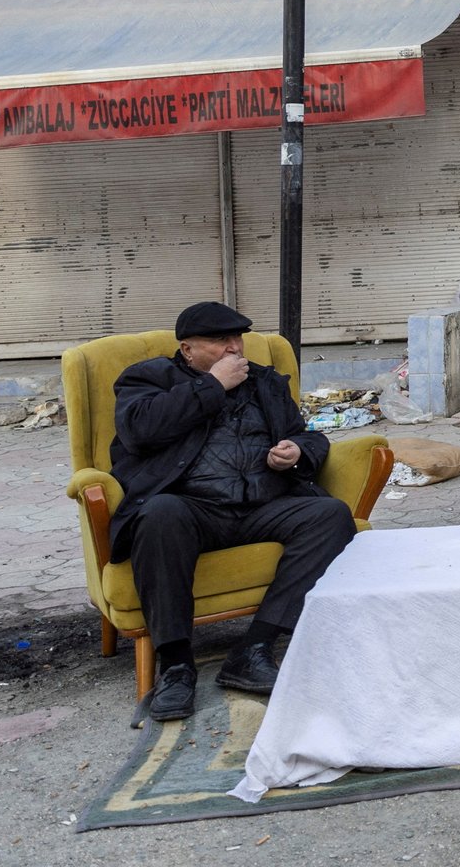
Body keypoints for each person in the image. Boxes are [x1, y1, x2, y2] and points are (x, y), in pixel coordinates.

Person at [111, 302, 355, 722]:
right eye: (220, 341)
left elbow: (304, 435)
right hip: (193, 509)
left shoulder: (264, 381)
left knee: (330, 515)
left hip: (263, 505)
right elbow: (140, 431)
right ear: (187, 349)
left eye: (238, 338)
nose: (234, 348)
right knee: (160, 513)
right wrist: (211, 386)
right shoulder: (147, 378)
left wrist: (296, 453)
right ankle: (175, 665)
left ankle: (254, 648)